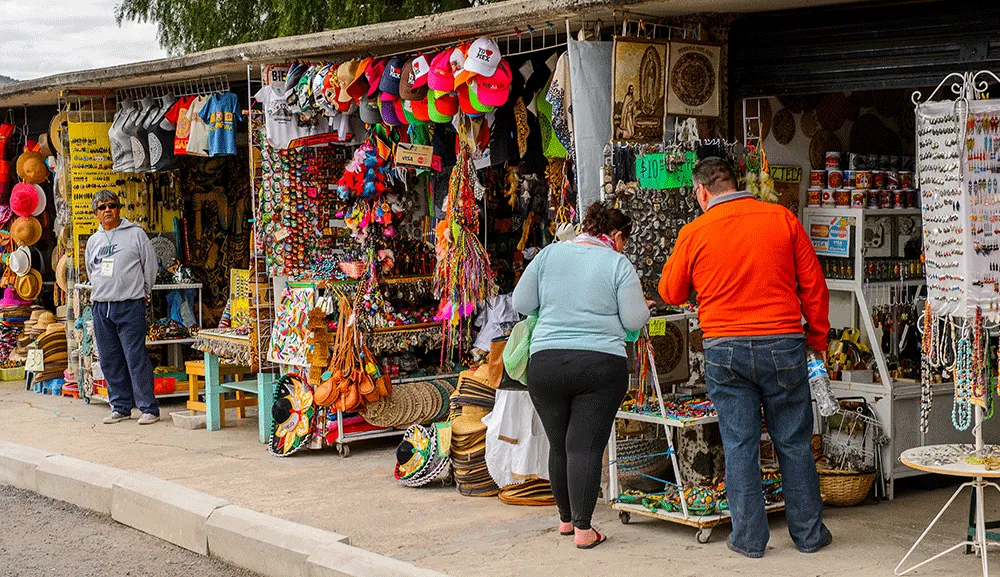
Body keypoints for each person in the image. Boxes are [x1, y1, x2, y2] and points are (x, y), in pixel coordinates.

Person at [658, 157, 832, 558]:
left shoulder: (695, 231)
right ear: (736, 183)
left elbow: (671, 292)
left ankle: (750, 540)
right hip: (783, 343)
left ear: (702, 191)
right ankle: (809, 536)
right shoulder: (781, 218)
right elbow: (814, 286)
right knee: (794, 441)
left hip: (724, 348)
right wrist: (817, 339)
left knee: (740, 444)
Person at [512, 201, 649, 549]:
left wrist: (557, 309)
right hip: (599, 365)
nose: (623, 247)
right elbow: (634, 320)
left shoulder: (549, 254)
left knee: (559, 445)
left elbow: (521, 303)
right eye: (624, 240)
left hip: (546, 363)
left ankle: (566, 520)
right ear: (615, 235)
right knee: (584, 447)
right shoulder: (617, 263)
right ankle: (584, 531)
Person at [84, 189, 160, 425]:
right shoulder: (94, 241)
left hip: (130, 304)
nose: (107, 210)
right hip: (102, 307)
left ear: (118, 209)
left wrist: (141, 292)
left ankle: (148, 408)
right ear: (96, 213)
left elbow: (150, 267)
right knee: (109, 359)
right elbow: (91, 270)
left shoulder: (136, 234)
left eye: (111, 205)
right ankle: (120, 407)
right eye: (102, 207)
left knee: (135, 357)